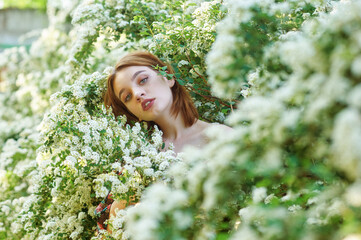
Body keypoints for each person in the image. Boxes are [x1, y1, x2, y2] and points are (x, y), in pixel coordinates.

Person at [95, 51, 232, 233]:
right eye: (126, 97)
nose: (137, 93)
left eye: (143, 80)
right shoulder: (140, 162)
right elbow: (113, 231)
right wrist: (119, 206)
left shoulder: (221, 137)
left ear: (168, 77)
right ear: (133, 113)